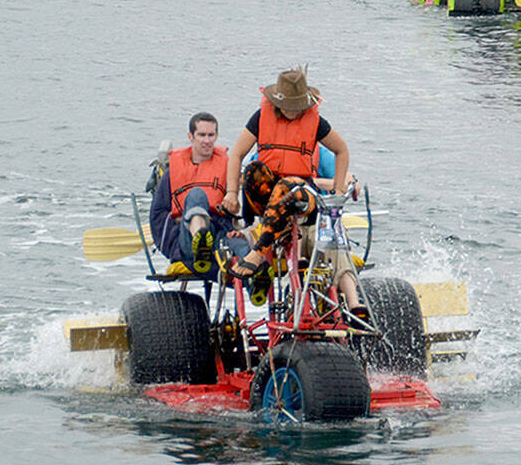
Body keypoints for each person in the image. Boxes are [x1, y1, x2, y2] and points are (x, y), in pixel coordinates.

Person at [221, 67, 367, 315]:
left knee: (288, 186)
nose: (294, 110)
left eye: (298, 105)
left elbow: (343, 150)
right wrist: (231, 193)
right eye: (289, 105)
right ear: (277, 102)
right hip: (269, 202)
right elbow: (236, 154)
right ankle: (273, 239)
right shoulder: (260, 118)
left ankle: (258, 253)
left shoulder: (317, 124)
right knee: (254, 170)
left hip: (302, 197)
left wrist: (340, 186)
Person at [148, 112, 238, 272]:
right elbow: (158, 214)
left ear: (217, 136)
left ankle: (257, 286)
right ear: (191, 136)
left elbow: (237, 211)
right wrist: (170, 245)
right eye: (202, 135)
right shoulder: (172, 172)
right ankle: (200, 241)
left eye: (211, 135)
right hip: (185, 239)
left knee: (243, 248)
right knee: (197, 194)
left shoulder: (227, 167)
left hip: (218, 235)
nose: (207, 140)